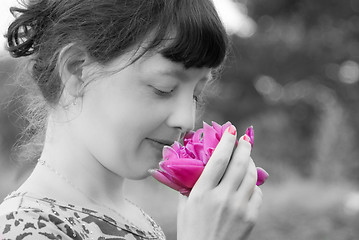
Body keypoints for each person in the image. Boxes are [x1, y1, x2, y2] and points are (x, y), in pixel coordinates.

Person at [0, 0, 263, 239]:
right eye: (164, 88)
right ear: (77, 70)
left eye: (196, 95)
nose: (187, 120)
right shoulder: (24, 226)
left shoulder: (142, 223)